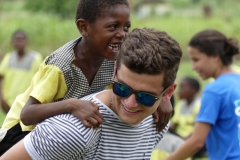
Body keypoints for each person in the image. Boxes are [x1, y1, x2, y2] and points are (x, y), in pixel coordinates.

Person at [0, 0, 172, 156]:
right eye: (113, 27)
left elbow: (144, 75)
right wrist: (72, 104)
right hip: (19, 134)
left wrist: (161, 98)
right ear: (84, 27)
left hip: (59, 136)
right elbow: (27, 115)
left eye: (126, 27)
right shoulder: (61, 66)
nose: (122, 34)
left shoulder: (112, 58)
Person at [165, 29, 240, 160]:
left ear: (215, 56)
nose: (193, 67)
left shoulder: (215, 90)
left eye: (196, 59)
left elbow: (197, 142)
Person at [0, 30, 43, 127]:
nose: (19, 43)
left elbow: (41, 80)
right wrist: (2, 98)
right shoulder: (8, 58)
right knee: (9, 130)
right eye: (16, 40)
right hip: (9, 103)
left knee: (25, 131)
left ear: (26, 42)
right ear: (12, 42)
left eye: (21, 40)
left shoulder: (35, 58)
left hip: (27, 103)